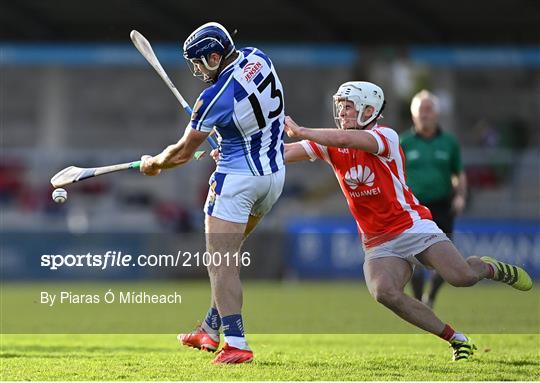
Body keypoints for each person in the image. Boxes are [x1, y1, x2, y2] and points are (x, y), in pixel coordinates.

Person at [282, 81, 532, 361]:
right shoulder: (329, 143)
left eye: (348, 107)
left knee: (461, 277)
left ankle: (490, 268)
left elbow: (345, 140)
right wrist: (240, 157)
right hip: (377, 241)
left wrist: (303, 131)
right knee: (384, 292)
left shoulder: (385, 136)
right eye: (340, 106)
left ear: (368, 109)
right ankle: (456, 339)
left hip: (411, 227)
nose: (341, 113)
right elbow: (283, 154)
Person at [140, 22, 286, 364]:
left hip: (237, 182)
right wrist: (227, 137)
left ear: (215, 56)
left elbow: (182, 154)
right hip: (273, 177)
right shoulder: (258, 57)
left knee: (220, 263)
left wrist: (155, 163)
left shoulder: (212, 98)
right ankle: (209, 328)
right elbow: (255, 117)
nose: (196, 69)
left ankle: (236, 343)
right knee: (228, 259)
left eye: (199, 62)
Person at [400, 90, 467, 308]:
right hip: (414, 209)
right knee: (416, 259)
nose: (425, 115)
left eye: (429, 110)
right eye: (421, 110)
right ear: (413, 115)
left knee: (446, 260)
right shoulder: (403, 142)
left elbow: (459, 174)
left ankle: (431, 298)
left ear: (436, 114)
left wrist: (460, 196)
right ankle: (419, 304)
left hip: (442, 206)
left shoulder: (449, 143)